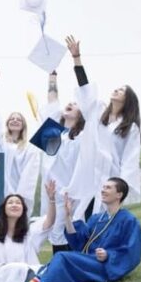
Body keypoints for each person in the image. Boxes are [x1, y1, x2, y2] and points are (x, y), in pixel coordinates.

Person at [4, 177, 141, 282]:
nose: (103, 190)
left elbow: (131, 251)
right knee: (52, 265)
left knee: (61, 257)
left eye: (108, 187)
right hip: (88, 261)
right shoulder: (97, 218)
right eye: (103, 187)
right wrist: (68, 217)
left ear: (119, 194)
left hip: (104, 267)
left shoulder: (129, 220)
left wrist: (109, 255)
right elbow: (80, 242)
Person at [66, 35, 141, 212]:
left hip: (111, 182)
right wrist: (77, 58)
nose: (116, 90)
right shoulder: (97, 111)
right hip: (90, 178)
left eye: (122, 90)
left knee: (106, 225)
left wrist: (120, 189)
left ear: (128, 100)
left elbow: (130, 160)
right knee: (83, 221)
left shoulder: (130, 128)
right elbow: (85, 89)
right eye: (117, 88)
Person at [41, 70, 93, 254]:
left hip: (73, 194)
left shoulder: (83, 137)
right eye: (70, 102)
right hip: (53, 195)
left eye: (75, 104)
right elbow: (52, 101)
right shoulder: (53, 133)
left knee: (72, 232)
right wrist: (52, 77)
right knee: (56, 233)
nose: (70, 103)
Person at [0, 98, 41, 215]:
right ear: (7, 123)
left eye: (18, 119)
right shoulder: (0, 143)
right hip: (0, 191)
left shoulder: (29, 148)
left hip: (21, 195)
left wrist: (17, 198)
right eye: (12, 119)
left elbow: (30, 173)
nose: (15, 120)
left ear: (23, 125)